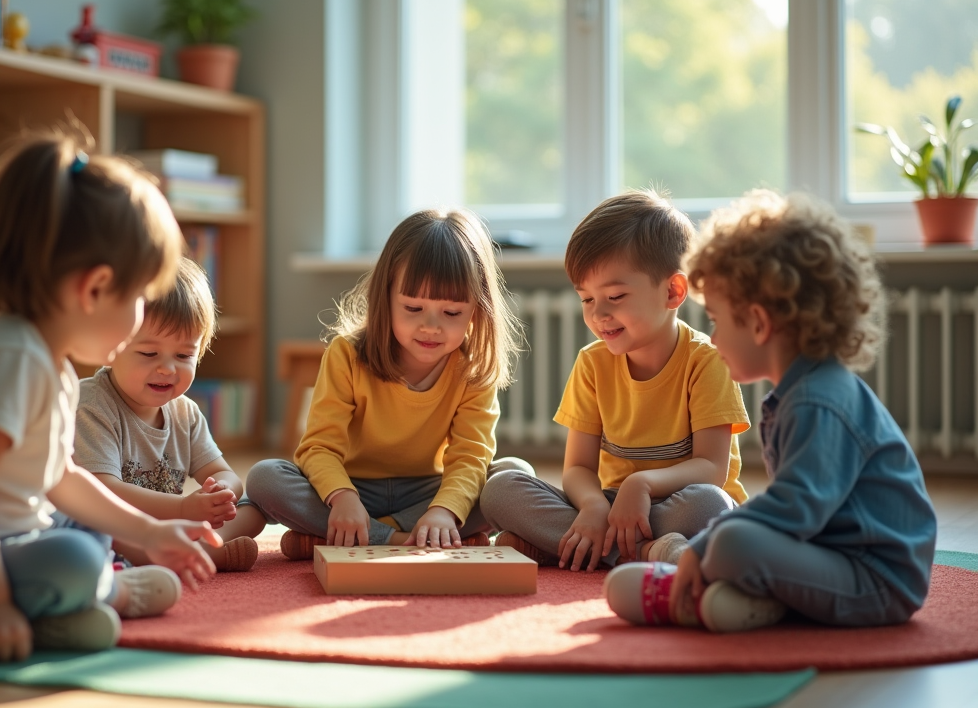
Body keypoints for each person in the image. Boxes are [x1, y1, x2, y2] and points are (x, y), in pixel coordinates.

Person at [0, 129, 221, 662]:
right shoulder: (12, 360)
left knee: (85, 521)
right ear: (94, 289)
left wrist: (152, 530)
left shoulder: (49, 363)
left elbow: (59, 477)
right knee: (73, 556)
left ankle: (83, 597)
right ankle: (98, 594)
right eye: (140, 296)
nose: (143, 313)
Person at [605, 190, 937, 632]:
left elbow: (795, 509)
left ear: (759, 324)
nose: (714, 338)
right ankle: (719, 595)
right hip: (833, 559)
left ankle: (731, 598)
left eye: (719, 321)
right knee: (725, 541)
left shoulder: (820, 399)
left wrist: (705, 548)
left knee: (733, 542)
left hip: (875, 581)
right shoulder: (800, 392)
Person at [481, 190, 749, 571]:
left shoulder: (707, 361)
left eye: (615, 295)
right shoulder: (592, 363)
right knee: (500, 490)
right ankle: (644, 551)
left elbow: (711, 467)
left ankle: (570, 545)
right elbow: (576, 469)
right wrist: (592, 505)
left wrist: (641, 486)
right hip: (608, 505)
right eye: (587, 300)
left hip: (677, 504)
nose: (598, 314)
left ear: (672, 291)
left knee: (711, 505)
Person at [246, 208, 531, 559]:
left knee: (514, 475)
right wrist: (343, 498)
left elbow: (470, 456)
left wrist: (444, 510)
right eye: (413, 308)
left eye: (452, 313)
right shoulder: (346, 355)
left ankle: (361, 535)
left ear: (477, 309)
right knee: (265, 477)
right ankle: (403, 537)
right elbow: (318, 447)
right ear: (386, 297)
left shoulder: (471, 369)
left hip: (427, 492)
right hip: (353, 488)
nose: (431, 326)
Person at [73, 257, 265, 573]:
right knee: (95, 530)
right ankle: (188, 553)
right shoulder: (91, 405)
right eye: (149, 354)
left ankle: (202, 547)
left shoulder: (185, 412)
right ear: (114, 345)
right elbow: (103, 490)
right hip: (118, 522)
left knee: (253, 509)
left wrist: (220, 493)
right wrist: (184, 508)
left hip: (172, 521)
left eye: (184, 355)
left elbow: (223, 472)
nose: (167, 368)